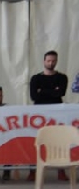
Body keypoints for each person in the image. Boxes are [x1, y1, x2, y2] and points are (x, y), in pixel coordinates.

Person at [29, 50, 69, 181]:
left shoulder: (62, 77)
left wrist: (42, 91)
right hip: (38, 114)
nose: (51, 63)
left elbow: (60, 93)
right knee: (36, 140)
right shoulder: (36, 78)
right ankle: (32, 170)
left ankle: (61, 170)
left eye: (53, 61)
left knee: (59, 140)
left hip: (57, 113)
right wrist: (53, 90)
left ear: (56, 61)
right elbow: (34, 96)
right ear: (44, 61)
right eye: (48, 61)